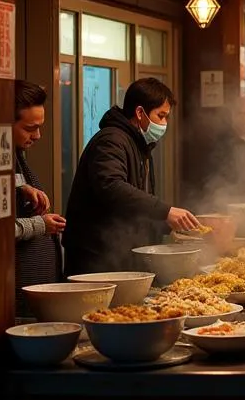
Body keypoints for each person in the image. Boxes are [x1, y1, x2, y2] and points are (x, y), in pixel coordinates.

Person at [63, 78, 200, 275]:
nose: (164, 124)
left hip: (118, 250)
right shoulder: (111, 140)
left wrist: (166, 225)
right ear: (139, 112)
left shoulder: (138, 143)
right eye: (161, 116)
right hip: (97, 255)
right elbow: (111, 186)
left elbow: (135, 204)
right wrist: (165, 211)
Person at [13, 81, 64, 305]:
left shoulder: (14, 156)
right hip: (14, 302)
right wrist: (41, 225)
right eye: (29, 128)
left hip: (33, 296)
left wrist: (20, 187)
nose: (38, 136)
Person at [206, 94, 245, 201]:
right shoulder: (219, 143)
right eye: (241, 114)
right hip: (227, 202)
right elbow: (213, 181)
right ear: (233, 114)